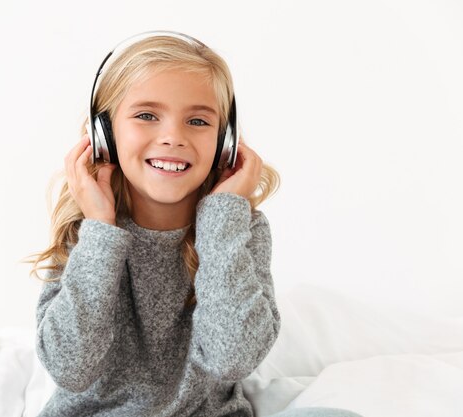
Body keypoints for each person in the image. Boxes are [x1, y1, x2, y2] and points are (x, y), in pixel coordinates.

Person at [25, 31, 361, 417]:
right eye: (147, 115)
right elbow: (71, 368)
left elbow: (232, 359)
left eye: (198, 121)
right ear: (103, 134)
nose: (173, 137)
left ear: (226, 141)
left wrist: (221, 217)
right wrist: (100, 231)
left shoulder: (239, 228)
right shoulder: (85, 232)